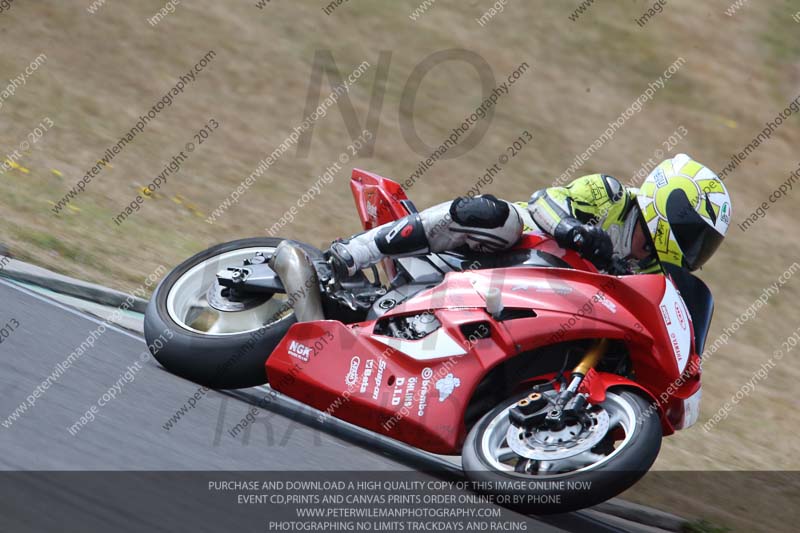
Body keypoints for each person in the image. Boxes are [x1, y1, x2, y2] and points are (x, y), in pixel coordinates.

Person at [326, 154, 732, 277]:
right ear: (671, 204)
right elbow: (543, 201)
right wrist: (572, 229)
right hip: (510, 250)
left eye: (704, 243)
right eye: (694, 233)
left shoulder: (654, 273)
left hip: (546, 299)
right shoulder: (609, 195)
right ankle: (356, 252)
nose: (696, 248)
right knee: (499, 217)